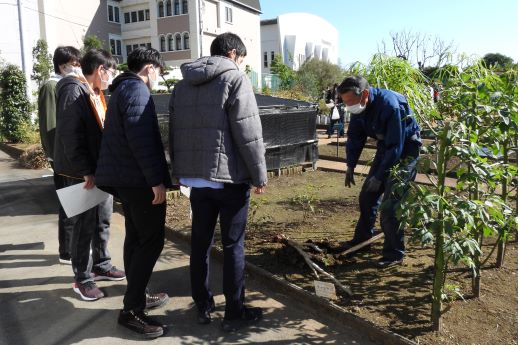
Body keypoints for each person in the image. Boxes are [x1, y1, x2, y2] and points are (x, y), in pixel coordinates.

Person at [169, 32, 268, 332]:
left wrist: (179, 172)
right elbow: (248, 132)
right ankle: (233, 313)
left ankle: (203, 306)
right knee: (233, 245)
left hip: (197, 181)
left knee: (200, 244)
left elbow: (173, 131)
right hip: (229, 179)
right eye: (242, 58)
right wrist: (259, 174)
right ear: (234, 53)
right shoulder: (235, 80)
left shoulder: (182, 85)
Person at [95, 47, 171, 338]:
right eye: (159, 72)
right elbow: (142, 141)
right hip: (139, 181)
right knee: (151, 240)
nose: (158, 78)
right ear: (150, 68)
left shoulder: (121, 90)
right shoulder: (137, 91)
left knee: (137, 238)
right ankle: (131, 311)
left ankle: (137, 294)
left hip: (125, 180)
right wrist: (156, 181)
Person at [54, 49, 125, 301]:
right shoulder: (73, 89)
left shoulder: (94, 91)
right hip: (80, 173)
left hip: (99, 169)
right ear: (100, 70)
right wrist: (84, 169)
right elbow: (69, 134)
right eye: (111, 71)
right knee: (83, 226)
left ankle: (101, 263)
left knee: (102, 220)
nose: (111, 76)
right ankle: (82, 278)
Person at [338, 76, 421, 267]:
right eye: (345, 102)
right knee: (367, 197)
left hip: (406, 150)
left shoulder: (390, 106)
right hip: (387, 147)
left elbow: (396, 146)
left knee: (391, 206)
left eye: (350, 101)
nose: (348, 106)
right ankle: (362, 240)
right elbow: (355, 137)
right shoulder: (360, 108)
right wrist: (350, 165)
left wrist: (379, 175)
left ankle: (394, 253)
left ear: (364, 94)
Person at [38, 46, 81, 264]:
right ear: (62, 65)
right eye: (74, 63)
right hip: (61, 157)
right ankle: (67, 251)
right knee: (68, 205)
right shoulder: (51, 86)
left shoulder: (66, 84)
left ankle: (71, 248)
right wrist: (54, 156)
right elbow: (49, 125)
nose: (77, 67)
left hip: (68, 156)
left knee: (74, 203)